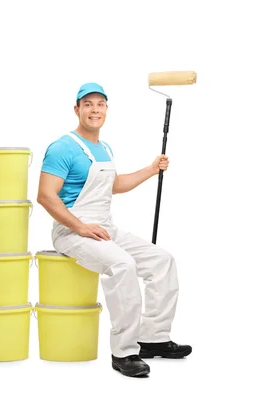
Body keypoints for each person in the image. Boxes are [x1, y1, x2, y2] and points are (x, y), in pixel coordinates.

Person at [36, 82, 191, 378]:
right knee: (123, 264)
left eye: (101, 104)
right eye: (88, 104)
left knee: (162, 260)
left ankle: (153, 338)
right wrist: (80, 227)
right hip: (71, 232)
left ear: (106, 109)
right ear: (77, 109)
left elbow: (115, 185)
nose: (95, 110)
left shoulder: (103, 148)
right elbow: (46, 195)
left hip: (104, 228)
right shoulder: (62, 147)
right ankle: (124, 352)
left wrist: (151, 169)